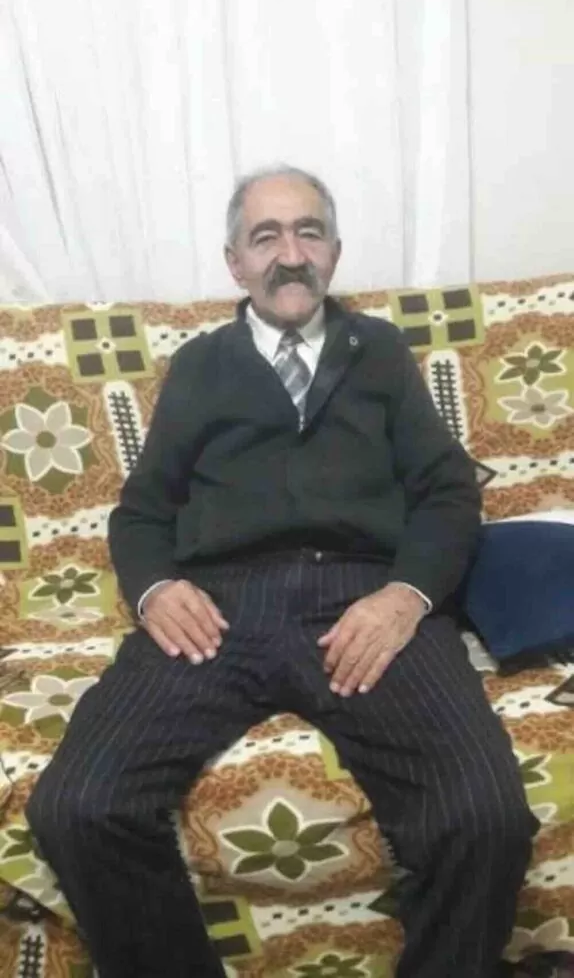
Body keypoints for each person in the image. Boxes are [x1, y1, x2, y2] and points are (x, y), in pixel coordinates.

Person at [26, 165, 538, 978]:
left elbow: (447, 493)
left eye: (308, 232)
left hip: (363, 596)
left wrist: (406, 597)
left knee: (485, 817)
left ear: (334, 251)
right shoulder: (200, 365)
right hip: (220, 605)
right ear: (235, 262)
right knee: (77, 805)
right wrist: (157, 589)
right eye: (266, 237)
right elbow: (142, 511)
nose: (290, 254)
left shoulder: (380, 353)